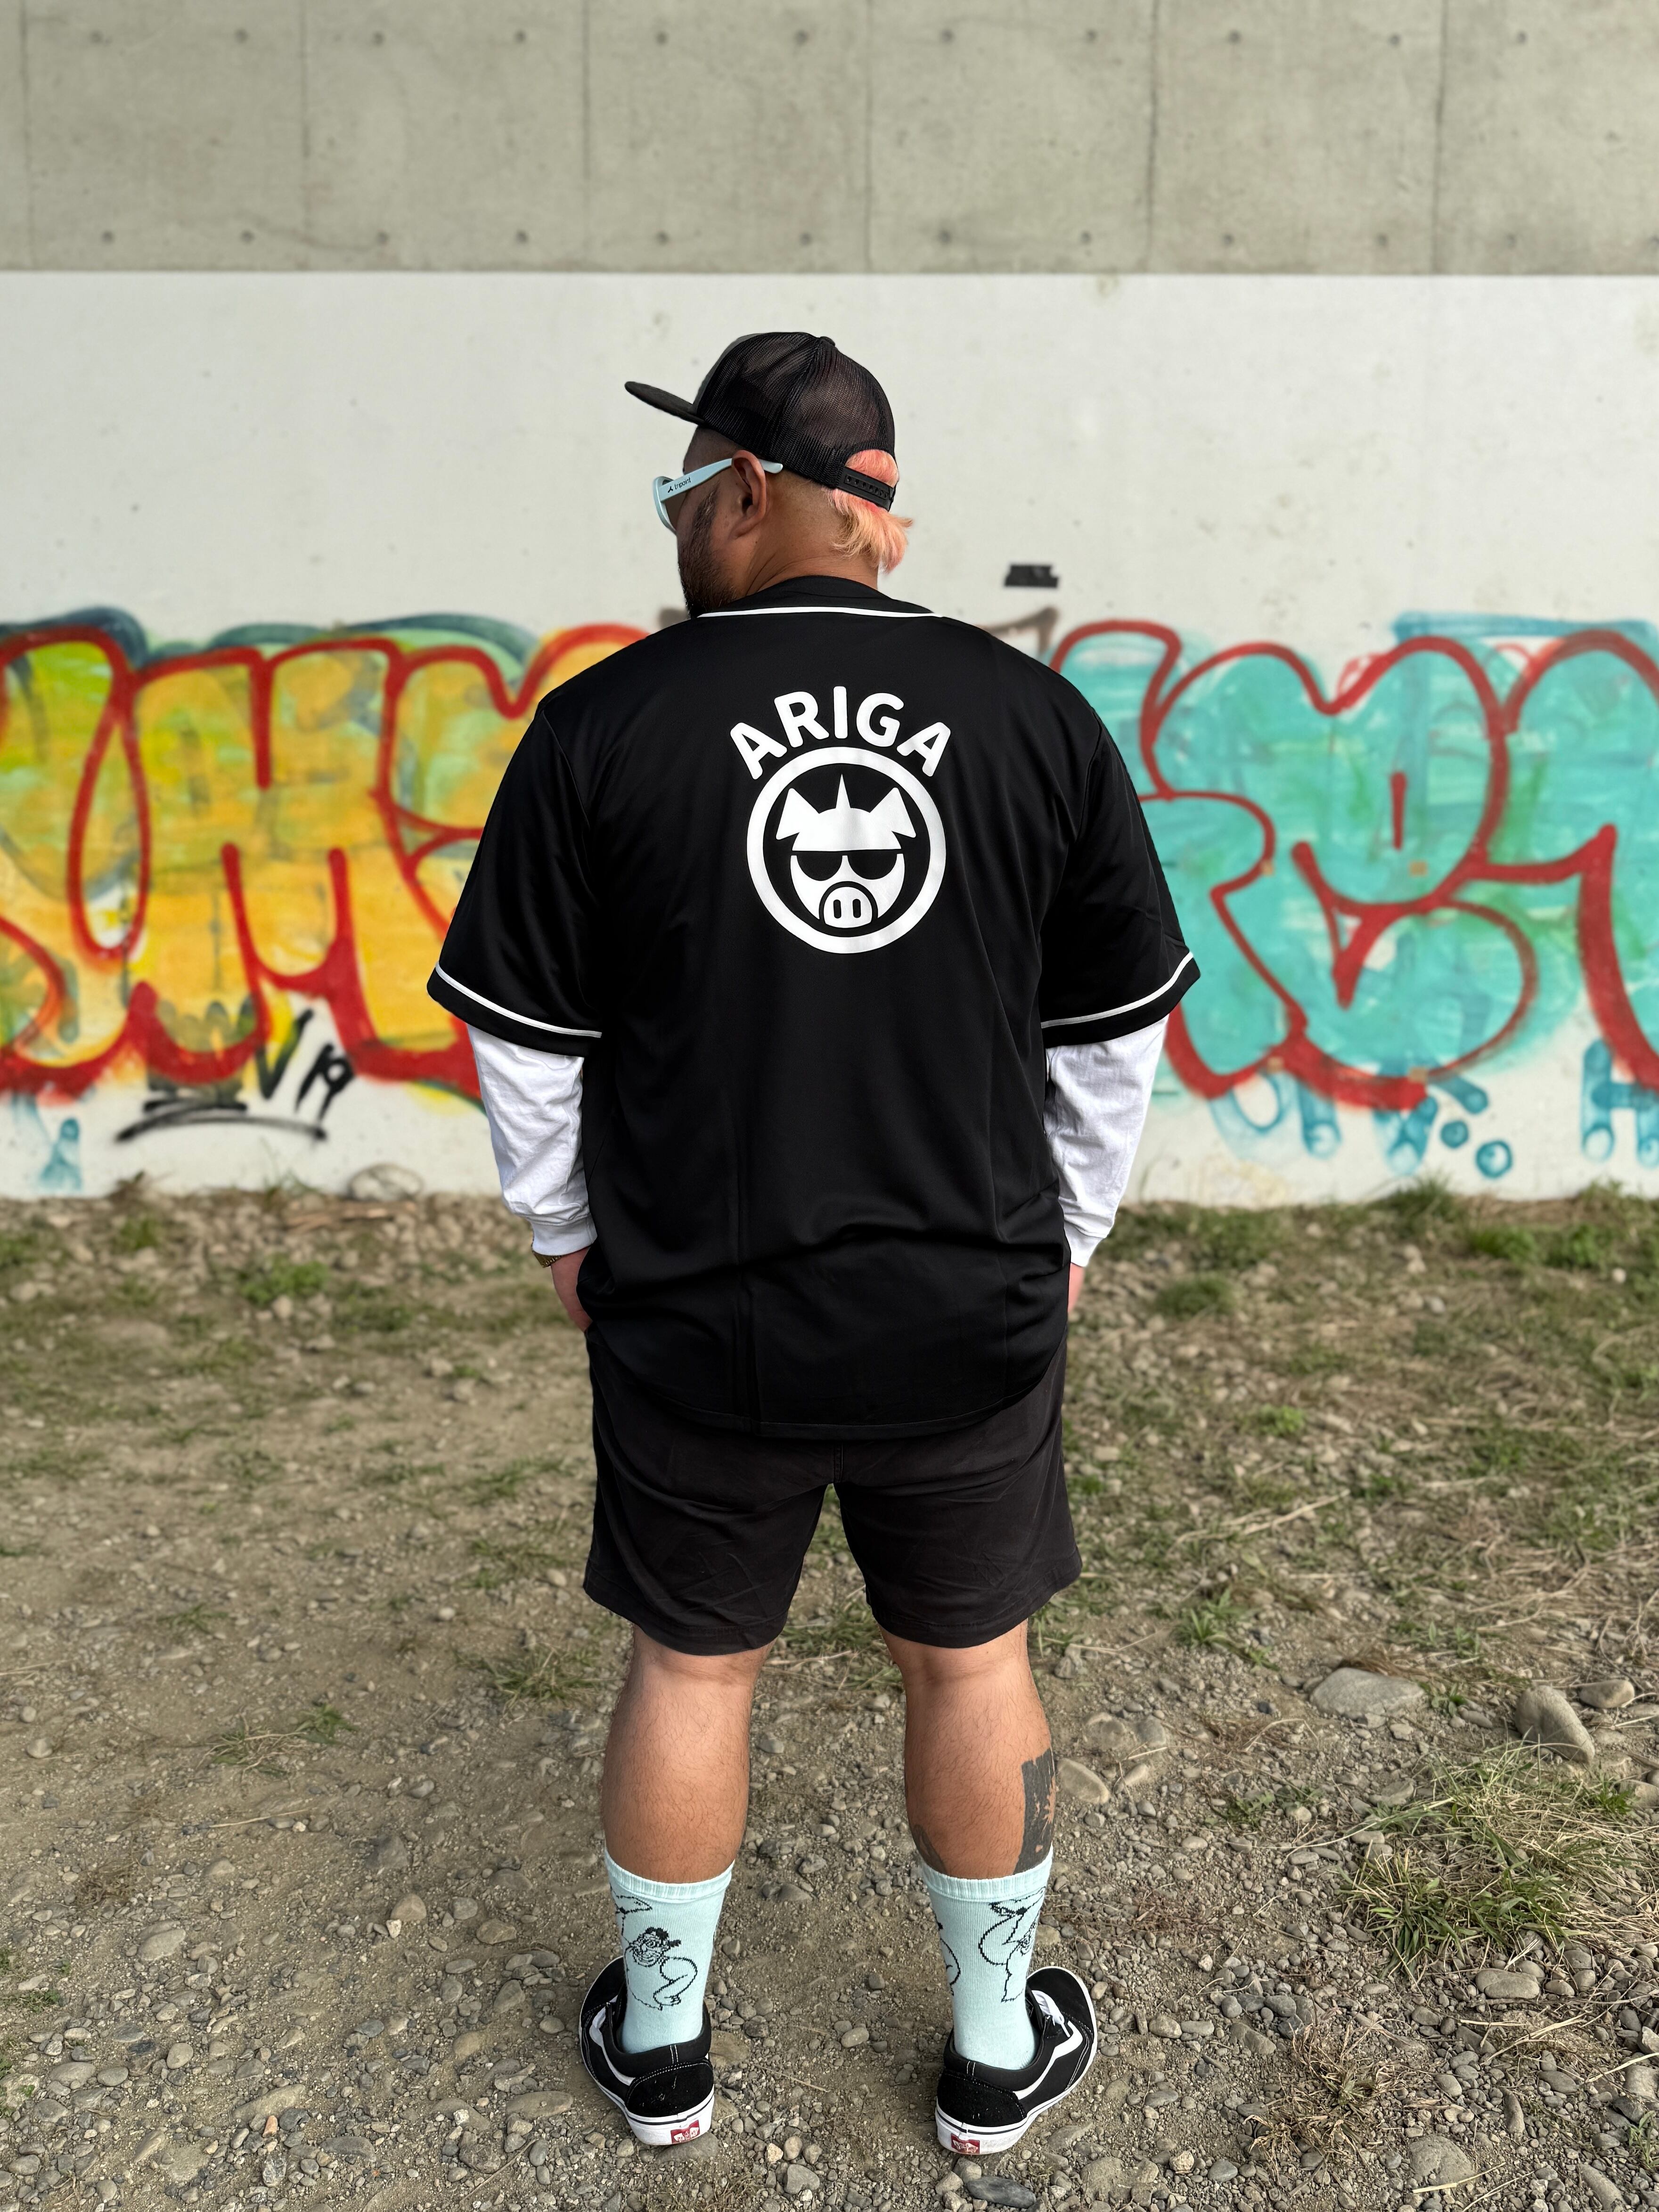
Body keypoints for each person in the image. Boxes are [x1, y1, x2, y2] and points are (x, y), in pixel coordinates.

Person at [428, 331, 1196, 2156]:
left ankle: (665, 2050)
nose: (674, 518)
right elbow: (1111, 1032)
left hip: (699, 1307)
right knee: (970, 1657)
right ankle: (993, 2053)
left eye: (682, 485)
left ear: (754, 487)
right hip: (965, 1301)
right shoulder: (1030, 720)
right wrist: (1064, 1234)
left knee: (694, 1666)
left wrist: (565, 1233)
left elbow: (525, 1039)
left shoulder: (607, 723)